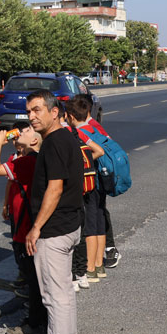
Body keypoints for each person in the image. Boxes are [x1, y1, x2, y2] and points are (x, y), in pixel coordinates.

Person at [23, 89, 84, 334]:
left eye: (37, 110)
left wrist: (36, 228)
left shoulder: (54, 143)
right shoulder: (66, 137)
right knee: (64, 292)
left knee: (53, 295)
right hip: (70, 224)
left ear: (54, 112)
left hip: (54, 230)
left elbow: (55, 188)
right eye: (29, 111)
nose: (31, 116)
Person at [0, 122, 47, 334]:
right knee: (36, 279)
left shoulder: (27, 162)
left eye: (28, 131)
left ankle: (35, 323)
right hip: (27, 225)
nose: (22, 132)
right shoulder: (31, 159)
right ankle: (38, 319)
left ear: (33, 141)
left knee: (33, 280)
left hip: (25, 229)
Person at [75, 93, 122, 269]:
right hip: (103, 176)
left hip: (94, 178)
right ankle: (102, 258)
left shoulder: (85, 129)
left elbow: (99, 151)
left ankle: (96, 260)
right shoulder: (96, 126)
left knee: (95, 216)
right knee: (100, 212)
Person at [66, 97, 107, 283]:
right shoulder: (95, 127)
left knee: (89, 225)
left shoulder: (79, 132)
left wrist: (82, 165)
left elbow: (97, 151)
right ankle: (99, 266)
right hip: (101, 180)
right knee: (99, 221)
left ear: (70, 116)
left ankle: (89, 268)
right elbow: (102, 149)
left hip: (90, 183)